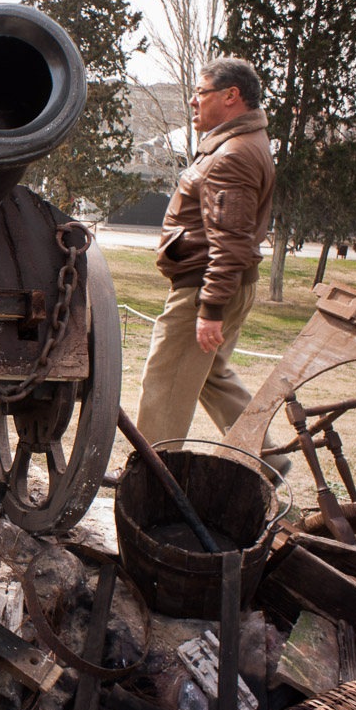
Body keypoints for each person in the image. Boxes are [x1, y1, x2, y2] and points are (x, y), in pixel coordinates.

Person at [135, 58, 291, 479]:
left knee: (164, 385)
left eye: (200, 92)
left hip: (204, 286)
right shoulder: (241, 144)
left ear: (230, 96)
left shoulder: (233, 155)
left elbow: (231, 240)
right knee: (210, 376)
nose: (192, 100)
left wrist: (209, 309)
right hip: (221, 283)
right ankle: (269, 461)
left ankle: (151, 480)